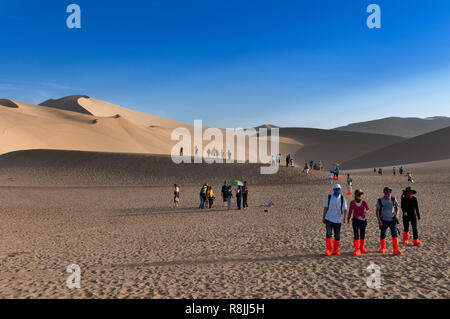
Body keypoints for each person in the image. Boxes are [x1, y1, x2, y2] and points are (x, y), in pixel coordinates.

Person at [375, 187, 402, 255]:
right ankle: (383, 248)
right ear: (384, 193)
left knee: (395, 234)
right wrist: (379, 220)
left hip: (392, 220)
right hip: (383, 220)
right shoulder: (380, 200)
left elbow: (397, 207)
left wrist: (397, 215)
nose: (388, 193)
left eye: (389, 192)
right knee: (383, 234)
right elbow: (377, 211)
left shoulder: (393, 199)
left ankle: (395, 249)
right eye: (387, 192)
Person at [323, 184, 347, 256]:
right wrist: (323, 217)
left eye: (338, 189)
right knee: (328, 234)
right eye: (336, 189)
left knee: (337, 235)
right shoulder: (329, 197)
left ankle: (336, 249)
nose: (337, 190)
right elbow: (325, 208)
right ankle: (329, 249)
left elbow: (345, 209)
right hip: (329, 218)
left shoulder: (343, 199)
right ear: (333, 190)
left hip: (338, 220)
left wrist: (344, 218)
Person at [347, 189, 370, 255]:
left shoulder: (364, 202)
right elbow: (350, 211)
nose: (360, 196)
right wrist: (348, 219)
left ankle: (362, 247)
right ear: (356, 195)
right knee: (356, 235)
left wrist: (367, 211)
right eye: (359, 194)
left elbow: (368, 209)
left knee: (362, 234)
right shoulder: (352, 202)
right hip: (355, 220)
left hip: (363, 220)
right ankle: (357, 249)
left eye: (361, 195)